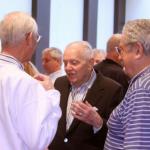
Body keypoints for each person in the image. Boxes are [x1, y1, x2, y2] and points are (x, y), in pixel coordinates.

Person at [0, 11, 61, 150]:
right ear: (29, 38)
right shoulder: (24, 82)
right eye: (37, 38)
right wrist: (51, 94)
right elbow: (39, 140)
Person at [48, 41, 123, 150]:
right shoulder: (59, 83)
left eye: (74, 63)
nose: (68, 68)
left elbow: (118, 133)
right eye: (65, 63)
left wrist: (98, 122)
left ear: (90, 63)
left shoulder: (112, 89)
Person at [104, 19, 150, 150]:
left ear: (138, 50)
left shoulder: (142, 89)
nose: (119, 57)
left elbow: (137, 146)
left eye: (121, 50)